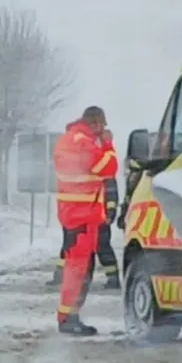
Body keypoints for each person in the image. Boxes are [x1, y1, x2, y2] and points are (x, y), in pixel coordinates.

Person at [53, 106, 119, 335]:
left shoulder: (67, 139)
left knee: (77, 267)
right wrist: (108, 144)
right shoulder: (83, 141)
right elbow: (108, 168)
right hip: (83, 214)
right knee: (78, 269)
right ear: (95, 122)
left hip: (73, 213)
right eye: (103, 125)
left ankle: (69, 315)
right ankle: (68, 318)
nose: (104, 130)